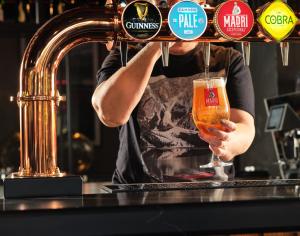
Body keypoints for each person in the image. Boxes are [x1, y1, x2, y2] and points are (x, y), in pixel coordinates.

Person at [92, 40, 255, 184]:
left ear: (202, 4)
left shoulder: (227, 59)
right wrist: (156, 46)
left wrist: (229, 141)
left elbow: (245, 127)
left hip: (211, 194)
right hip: (138, 195)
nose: (175, 6)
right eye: (166, 3)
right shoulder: (126, 55)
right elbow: (110, 115)